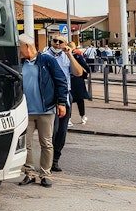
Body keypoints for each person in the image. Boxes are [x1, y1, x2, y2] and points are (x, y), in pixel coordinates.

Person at [17, 34, 68, 188]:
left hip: (46, 110)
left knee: (46, 143)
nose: (18, 51)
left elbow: (61, 81)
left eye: (19, 48)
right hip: (26, 111)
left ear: (27, 46)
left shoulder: (47, 61)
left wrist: (61, 103)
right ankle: (29, 173)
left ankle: (45, 174)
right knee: (26, 144)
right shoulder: (20, 63)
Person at [43, 35, 84, 172]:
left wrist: (70, 55)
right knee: (51, 131)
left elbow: (78, 73)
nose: (57, 43)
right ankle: (47, 161)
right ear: (51, 41)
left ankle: (55, 160)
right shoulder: (44, 56)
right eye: (55, 41)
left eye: (61, 42)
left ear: (65, 44)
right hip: (49, 98)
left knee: (61, 131)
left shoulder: (67, 56)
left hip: (65, 97)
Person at [69, 45, 92, 126]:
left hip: (68, 80)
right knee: (80, 99)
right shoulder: (77, 57)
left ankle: (68, 119)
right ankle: (82, 116)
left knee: (69, 100)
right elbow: (86, 67)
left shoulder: (63, 57)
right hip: (78, 80)